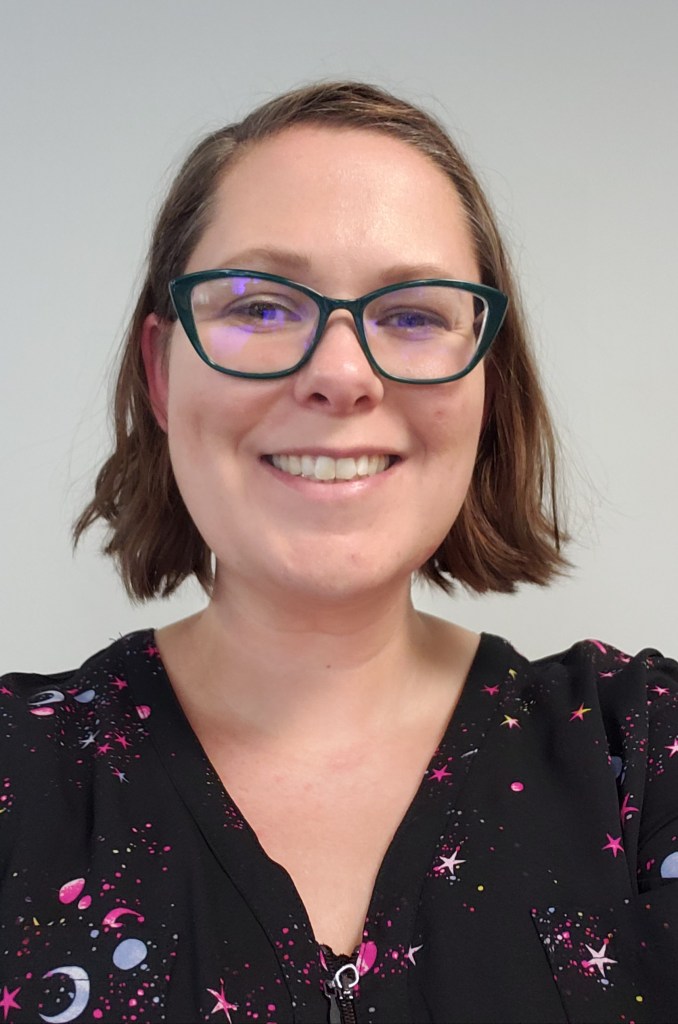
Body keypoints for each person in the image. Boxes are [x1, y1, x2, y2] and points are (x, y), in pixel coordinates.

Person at [1, 81, 676, 1024]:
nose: (341, 375)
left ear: (485, 380)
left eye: (413, 314)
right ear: (161, 372)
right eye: (261, 304)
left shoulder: (642, 758)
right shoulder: (14, 772)